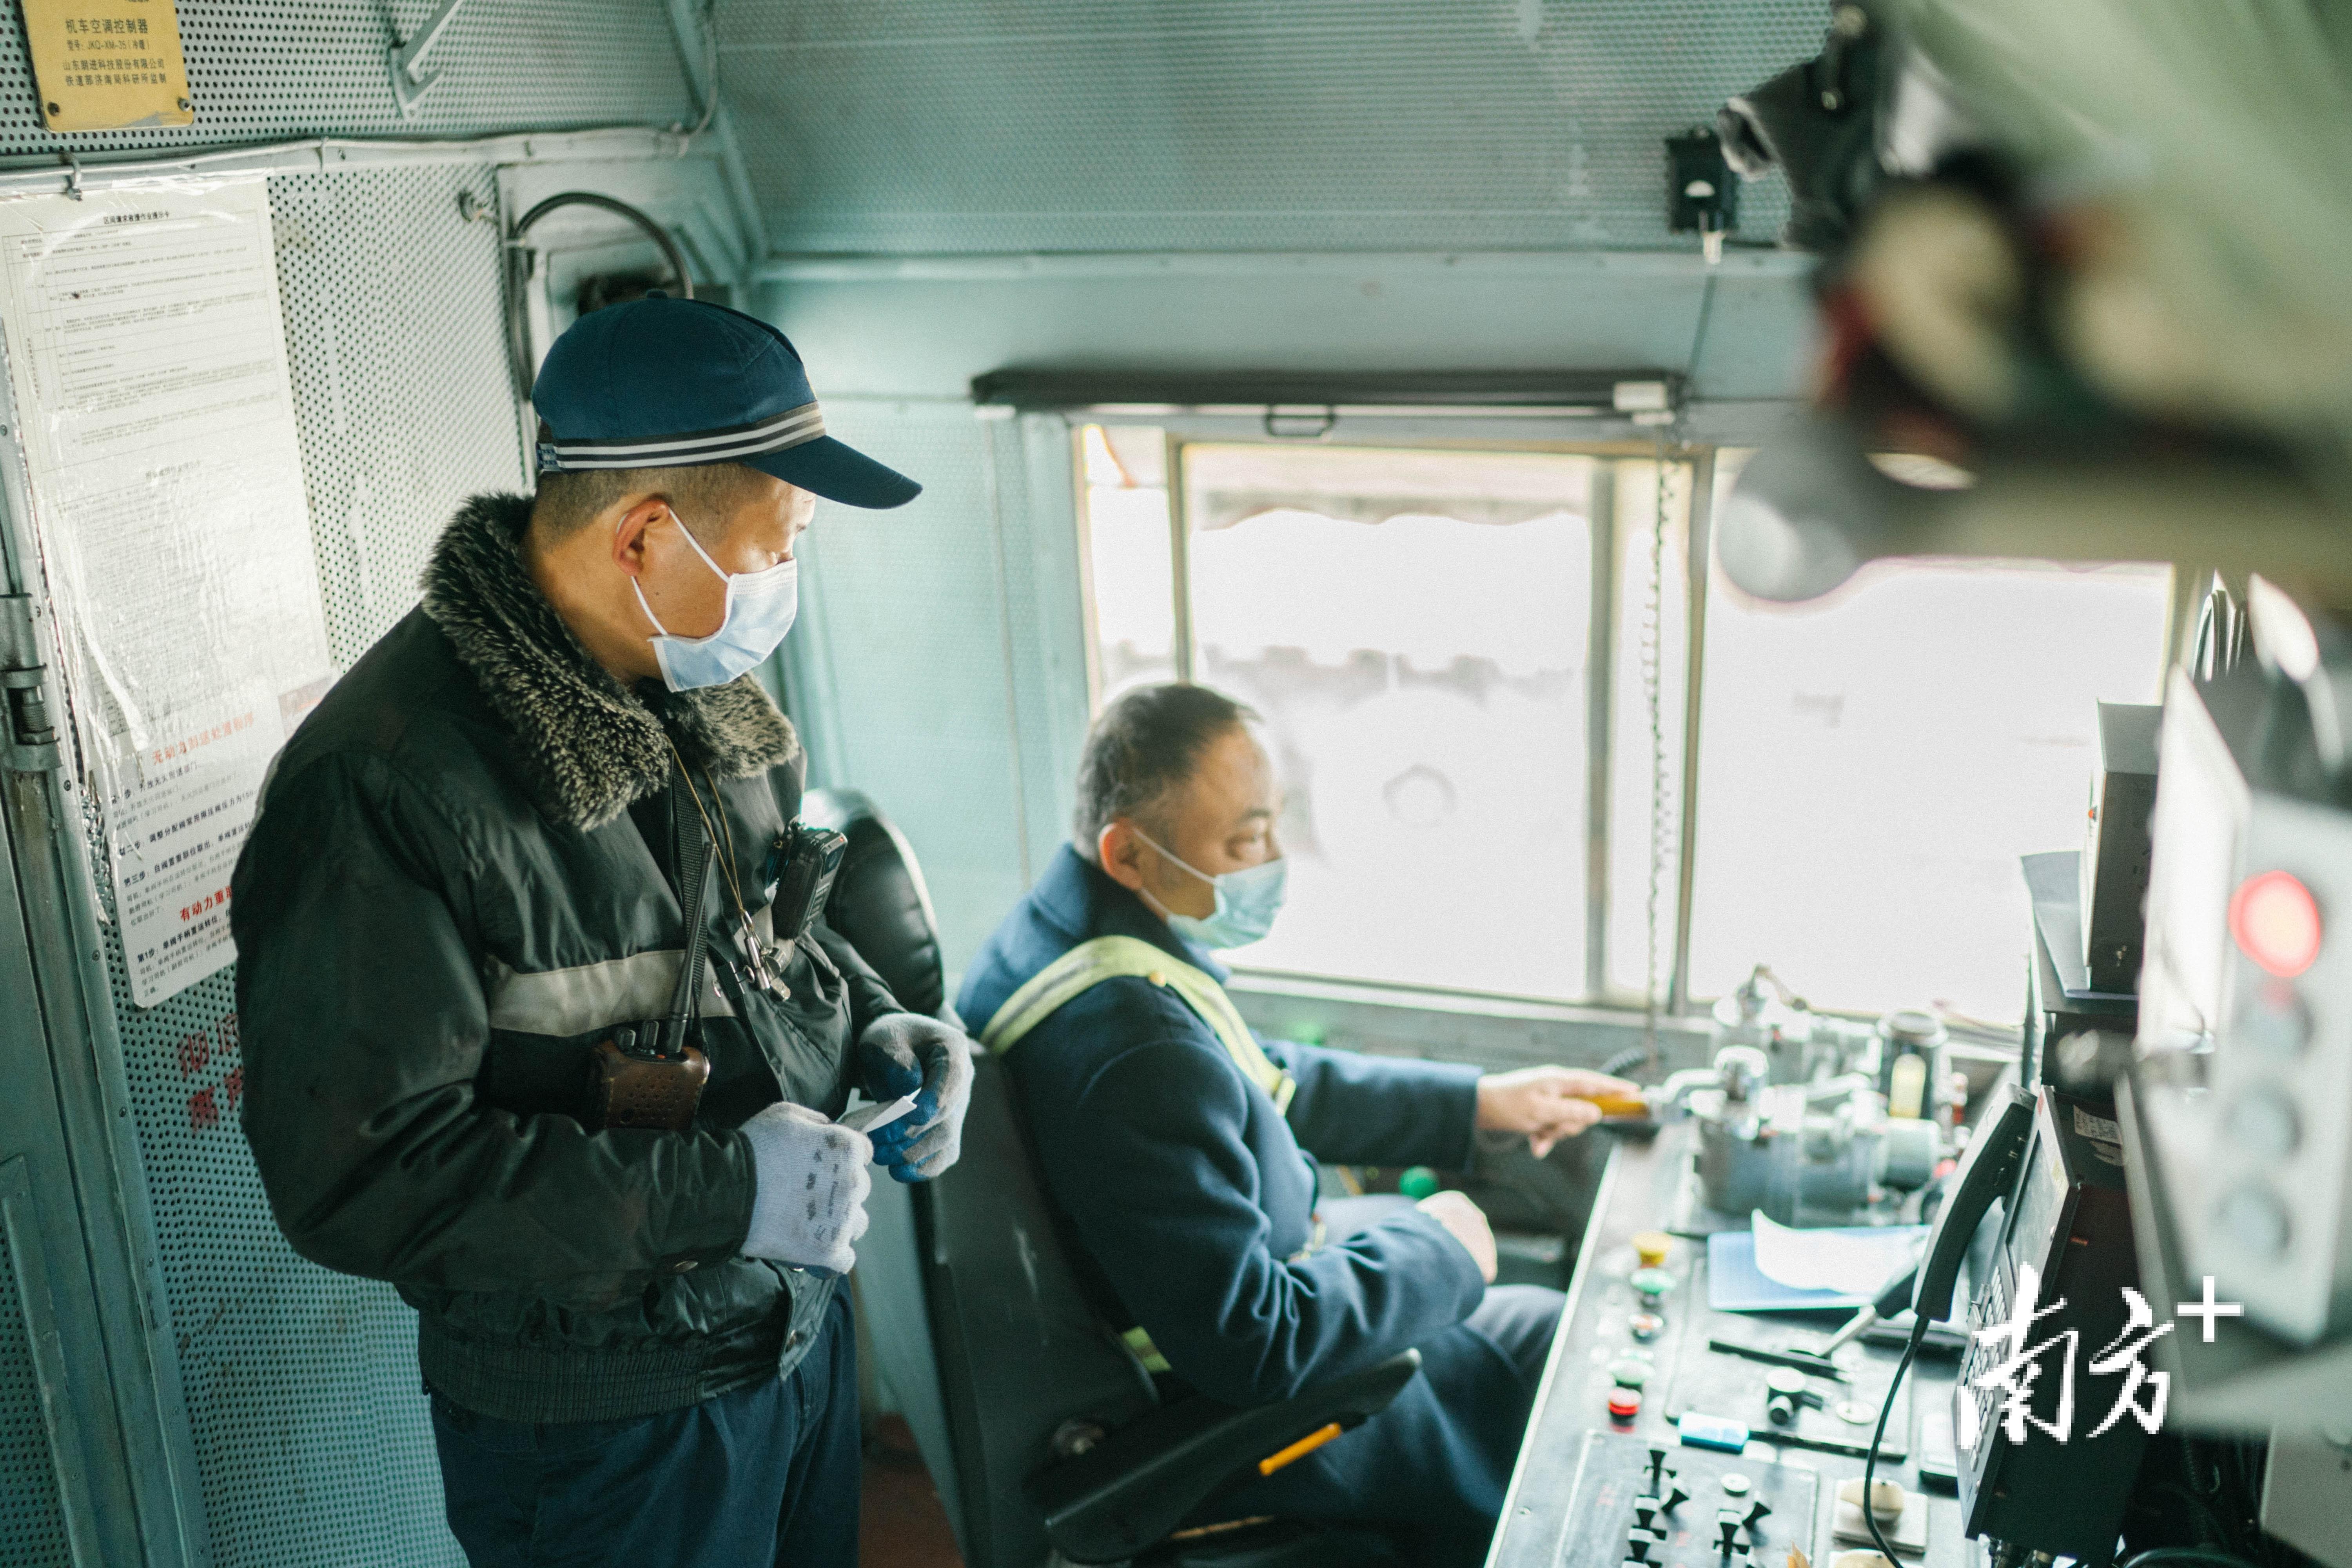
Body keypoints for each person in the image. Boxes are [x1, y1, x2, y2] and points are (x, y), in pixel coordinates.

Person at [230, 297, 976, 1568]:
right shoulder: (387, 786)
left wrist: (877, 1024)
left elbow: (764, 939)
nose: (790, 577)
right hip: (607, 1414)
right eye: (783, 542)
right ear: (646, 535)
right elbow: (359, 1179)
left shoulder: (695, 679)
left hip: (783, 1333)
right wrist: (735, 1188)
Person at [956, 681, 1637, 1568]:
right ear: (1128, 852)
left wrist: (1475, 1105)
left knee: (1548, 1324)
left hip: (1261, 1283)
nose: (1274, 856)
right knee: (1566, 1366)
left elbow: (1254, 1079)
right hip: (1249, 1420)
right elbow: (1254, 1340)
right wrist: (1444, 1253)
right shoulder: (1133, 1046)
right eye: (1244, 841)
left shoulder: (1070, 935)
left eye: (1274, 822)